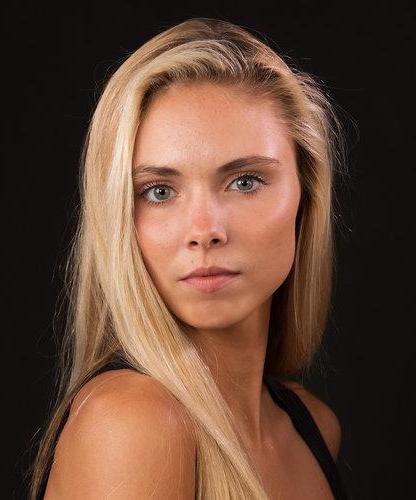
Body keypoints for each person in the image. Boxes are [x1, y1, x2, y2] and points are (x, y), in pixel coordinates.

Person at [28, 17, 349, 499]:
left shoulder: (314, 428)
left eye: (245, 182)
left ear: (307, 194)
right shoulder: (134, 423)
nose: (204, 231)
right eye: (158, 191)